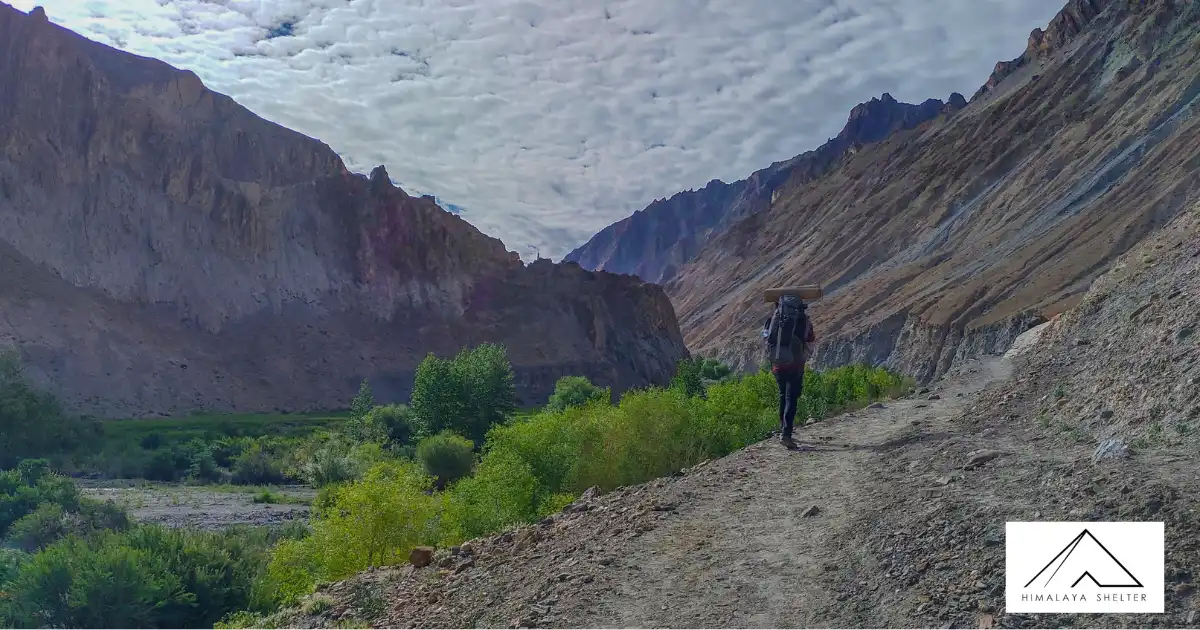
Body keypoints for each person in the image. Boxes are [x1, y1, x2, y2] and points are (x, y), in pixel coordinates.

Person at [762, 296, 816, 444]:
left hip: (778, 365)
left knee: (782, 396)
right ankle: (786, 434)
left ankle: (783, 429)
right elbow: (810, 342)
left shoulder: (771, 321)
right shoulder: (804, 321)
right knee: (791, 398)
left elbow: (766, 340)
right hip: (796, 365)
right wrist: (804, 356)